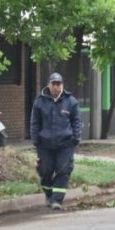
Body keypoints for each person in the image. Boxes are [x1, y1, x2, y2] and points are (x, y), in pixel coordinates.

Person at [30, 72, 82, 210]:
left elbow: (76, 121)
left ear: (62, 85)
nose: (56, 87)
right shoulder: (40, 101)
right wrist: (35, 140)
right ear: (49, 84)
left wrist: (76, 138)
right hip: (45, 144)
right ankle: (49, 194)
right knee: (45, 170)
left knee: (63, 170)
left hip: (65, 144)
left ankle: (57, 200)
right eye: (54, 84)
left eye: (59, 84)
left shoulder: (71, 101)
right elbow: (35, 122)